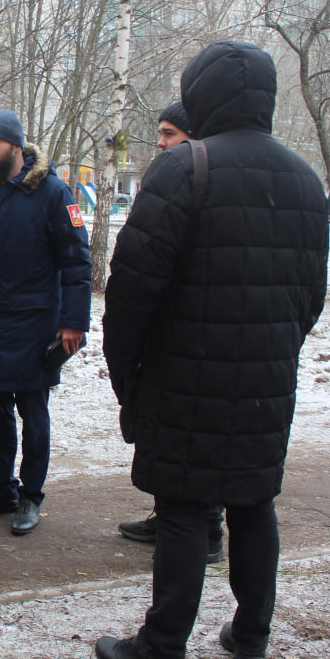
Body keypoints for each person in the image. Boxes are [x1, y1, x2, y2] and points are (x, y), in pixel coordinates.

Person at [97, 41, 329, 659]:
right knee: (253, 502)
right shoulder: (305, 179)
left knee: (182, 507)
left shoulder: (182, 168)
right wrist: (272, 350)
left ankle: (162, 651)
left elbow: (131, 290)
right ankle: (251, 636)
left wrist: (127, 373)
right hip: (266, 380)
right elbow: (311, 295)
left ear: (201, 94)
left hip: (183, 378)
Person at [0, 110, 91, 536]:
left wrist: (73, 322)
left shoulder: (53, 192)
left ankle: (31, 495)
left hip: (34, 323)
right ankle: (2, 489)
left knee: (33, 412)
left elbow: (77, 260)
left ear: (17, 146)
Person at [117, 101, 226, 564]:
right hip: (176, 336)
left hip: (199, 340)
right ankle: (170, 516)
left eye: (169, 133)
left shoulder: (204, 179)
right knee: (171, 437)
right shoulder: (179, 176)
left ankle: (207, 530)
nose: (160, 143)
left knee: (198, 439)